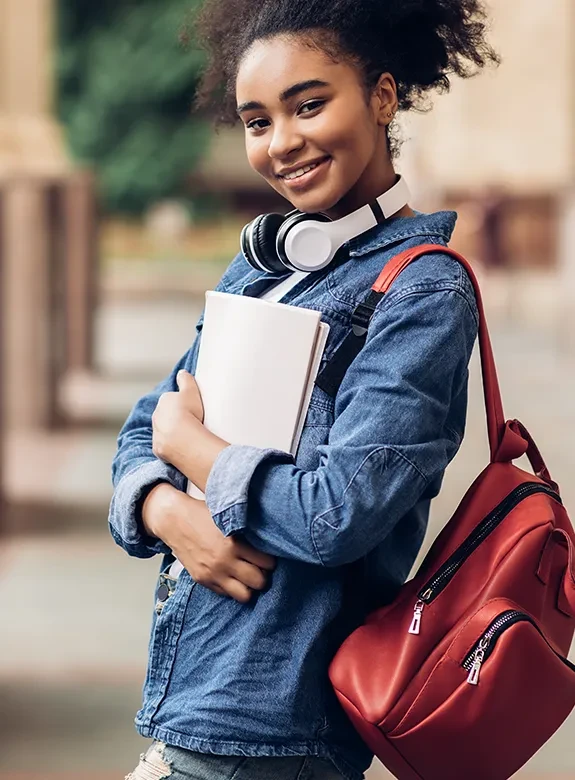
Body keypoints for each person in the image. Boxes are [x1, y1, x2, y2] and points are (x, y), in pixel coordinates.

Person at [110, 1, 499, 778]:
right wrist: (164, 509)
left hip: (280, 732)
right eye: (257, 121)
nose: (282, 142)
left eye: (309, 104)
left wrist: (197, 453)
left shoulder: (420, 292)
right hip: (198, 708)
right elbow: (140, 432)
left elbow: (337, 514)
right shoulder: (261, 266)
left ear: (382, 97)